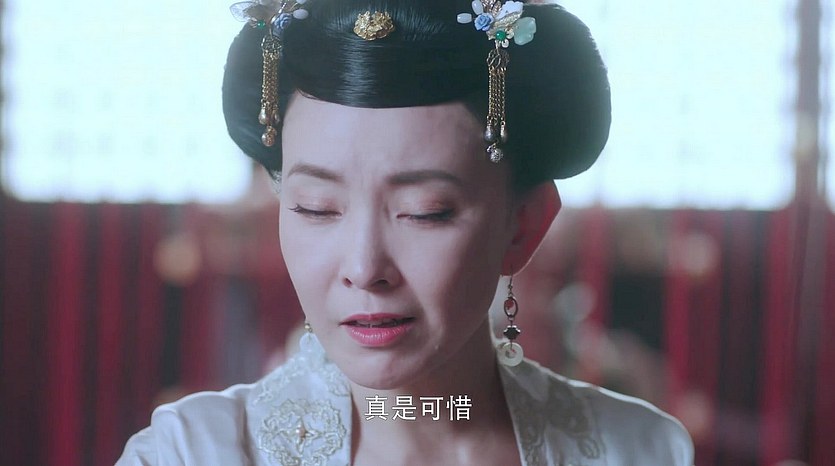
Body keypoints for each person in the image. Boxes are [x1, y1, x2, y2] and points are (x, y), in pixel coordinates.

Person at [118, 0, 694, 464]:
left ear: (524, 226)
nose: (364, 268)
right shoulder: (192, 454)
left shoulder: (639, 451)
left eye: (425, 211)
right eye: (316, 208)